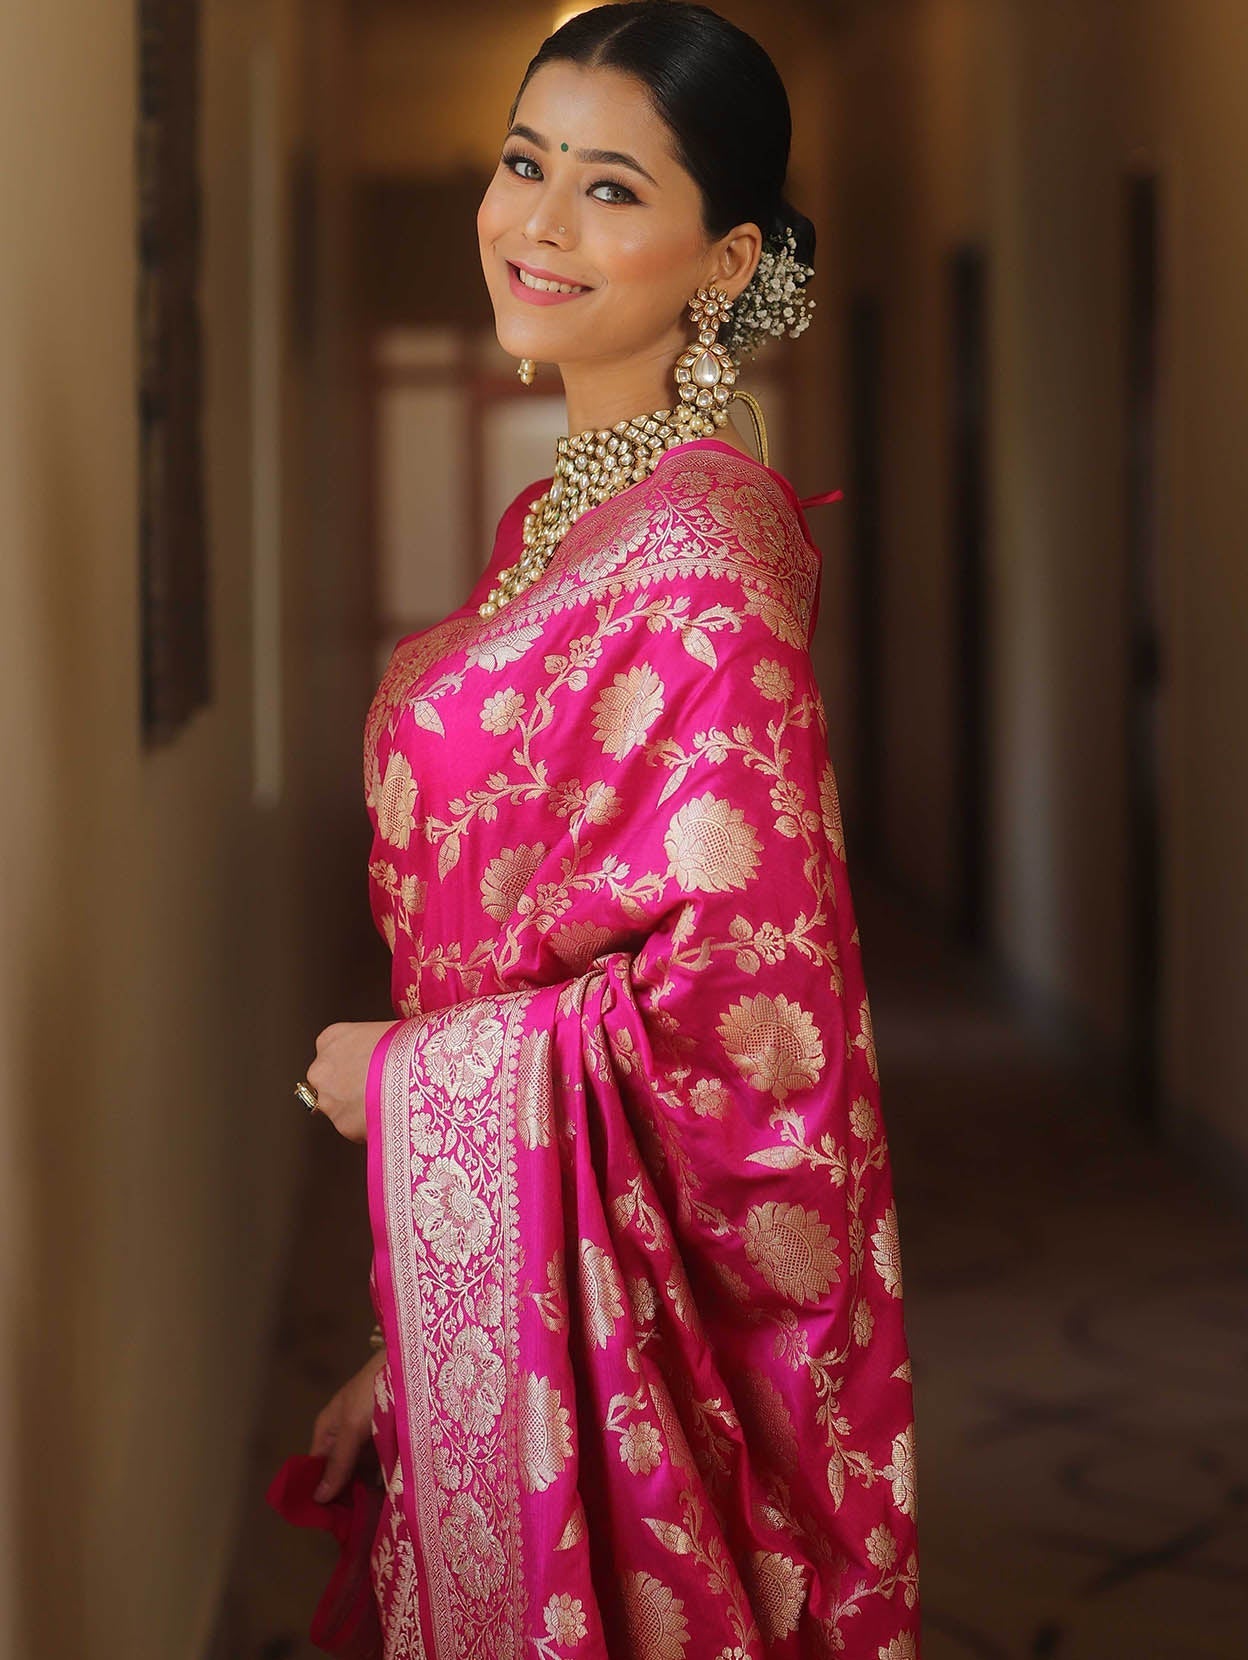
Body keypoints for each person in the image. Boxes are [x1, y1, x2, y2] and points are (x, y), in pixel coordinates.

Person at [268, 5, 920, 1656]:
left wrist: (411, 1086)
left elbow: (749, 1046)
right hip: (513, 1293)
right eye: (523, 163)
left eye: (613, 189)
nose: (537, 225)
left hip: (634, 1368)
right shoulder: (571, 518)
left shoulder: (702, 559)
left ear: (726, 260)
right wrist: (413, 1325)